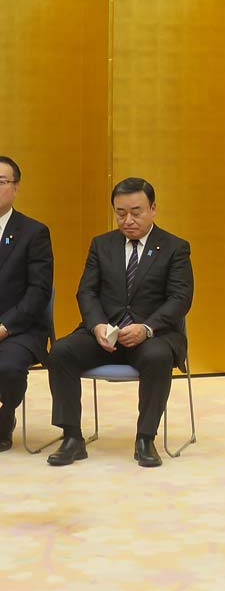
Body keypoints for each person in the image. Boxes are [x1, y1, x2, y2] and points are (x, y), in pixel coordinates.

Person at [46, 177, 194, 468]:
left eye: (136, 212)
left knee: (158, 356)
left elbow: (180, 298)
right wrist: (97, 325)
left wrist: (146, 328)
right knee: (61, 352)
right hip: (105, 333)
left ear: (153, 208)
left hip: (152, 335)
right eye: (120, 213)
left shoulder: (175, 247)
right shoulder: (101, 245)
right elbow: (86, 291)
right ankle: (72, 437)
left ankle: (145, 438)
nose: (127, 220)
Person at [0, 156, 54, 452]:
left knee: (7, 367)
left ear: (16, 188)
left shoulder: (33, 233)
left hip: (19, 327)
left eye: (0, 181)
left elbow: (38, 291)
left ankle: (4, 415)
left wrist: (5, 326)